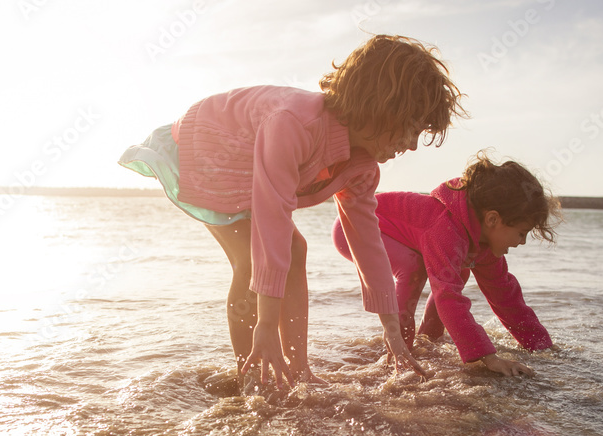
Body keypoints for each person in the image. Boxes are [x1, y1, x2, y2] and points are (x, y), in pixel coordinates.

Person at [118, 35, 464, 391]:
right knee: (252, 260)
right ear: (381, 106)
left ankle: (298, 371)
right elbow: (272, 219)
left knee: (296, 250)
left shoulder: (362, 167)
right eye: (412, 127)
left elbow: (368, 242)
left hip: (249, 164)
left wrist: (392, 330)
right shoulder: (293, 124)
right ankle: (251, 376)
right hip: (206, 151)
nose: (411, 145)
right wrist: (266, 323)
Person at [332, 151, 561, 377]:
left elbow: (505, 296)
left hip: (392, 235)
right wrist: (488, 357)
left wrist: (540, 345)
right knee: (415, 269)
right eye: (521, 233)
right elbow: (447, 297)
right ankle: (398, 354)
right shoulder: (445, 229)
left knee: (460, 271)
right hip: (354, 227)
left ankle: (429, 340)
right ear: (493, 219)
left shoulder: (484, 246)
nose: (522, 242)